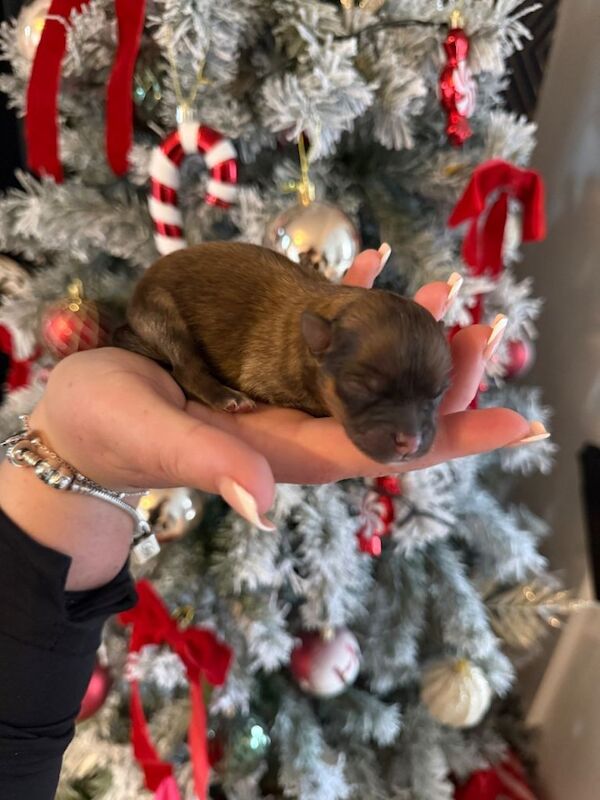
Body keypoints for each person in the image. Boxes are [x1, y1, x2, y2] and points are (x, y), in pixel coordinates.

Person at [0, 249, 543, 799]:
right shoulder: (279, 355)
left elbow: (21, 727)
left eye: (427, 398)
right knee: (190, 348)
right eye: (370, 393)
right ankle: (197, 374)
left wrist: (73, 455)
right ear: (318, 346)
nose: (408, 435)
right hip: (168, 303)